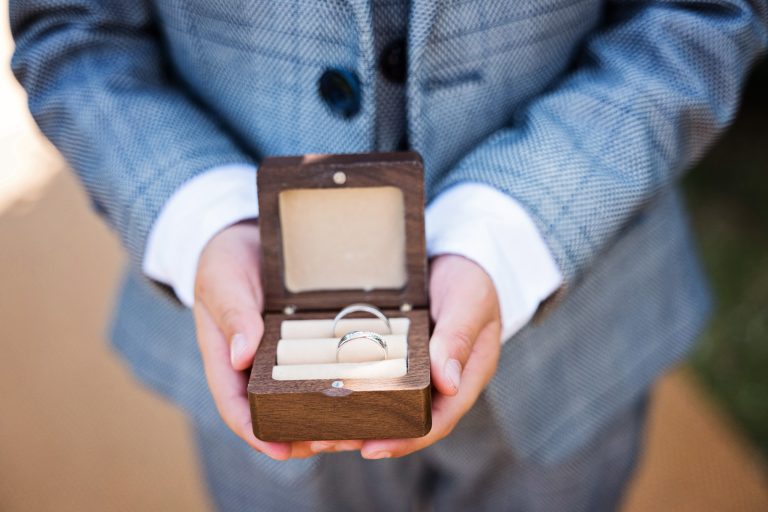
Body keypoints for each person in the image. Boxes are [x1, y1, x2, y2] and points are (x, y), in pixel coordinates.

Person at [10, 1, 767, 510]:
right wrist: (202, 220)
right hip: (251, 373)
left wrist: (516, 230)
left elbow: (703, 15)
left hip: (576, 350)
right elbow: (72, 29)